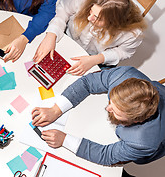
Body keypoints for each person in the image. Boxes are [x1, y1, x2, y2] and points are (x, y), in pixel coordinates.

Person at [31, 66, 165, 168]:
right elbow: (88, 82)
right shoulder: (124, 75)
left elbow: (107, 155)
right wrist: (56, 109)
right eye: (111, 102)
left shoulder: (143, 142)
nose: (107, 109)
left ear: (136, 120)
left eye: (116, 113)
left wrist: (65, 140)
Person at [34, 0, 147, 76]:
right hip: (67, 37)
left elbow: (123, 52)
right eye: (90, 11)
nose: (89, 18)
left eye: (97, 18)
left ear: (114, 22)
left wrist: (96, 59)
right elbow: (63, 10)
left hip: (97, 57)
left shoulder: (133, 33)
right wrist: (51, 35)